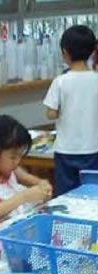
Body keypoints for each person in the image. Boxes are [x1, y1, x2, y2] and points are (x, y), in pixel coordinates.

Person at [0, 115, 52, 228]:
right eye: (13, 157)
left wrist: (42, 185)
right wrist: (23, 197)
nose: (17, 162)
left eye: (20, 156)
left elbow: (31, 180)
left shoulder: (9, 169)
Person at [44, 25, 98, 195]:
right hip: (93, 148)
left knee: (65, 196)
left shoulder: (60, 81)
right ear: (92, 51)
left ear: (65, 52)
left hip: (65, 150)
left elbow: (51, 113)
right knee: (91, 194)